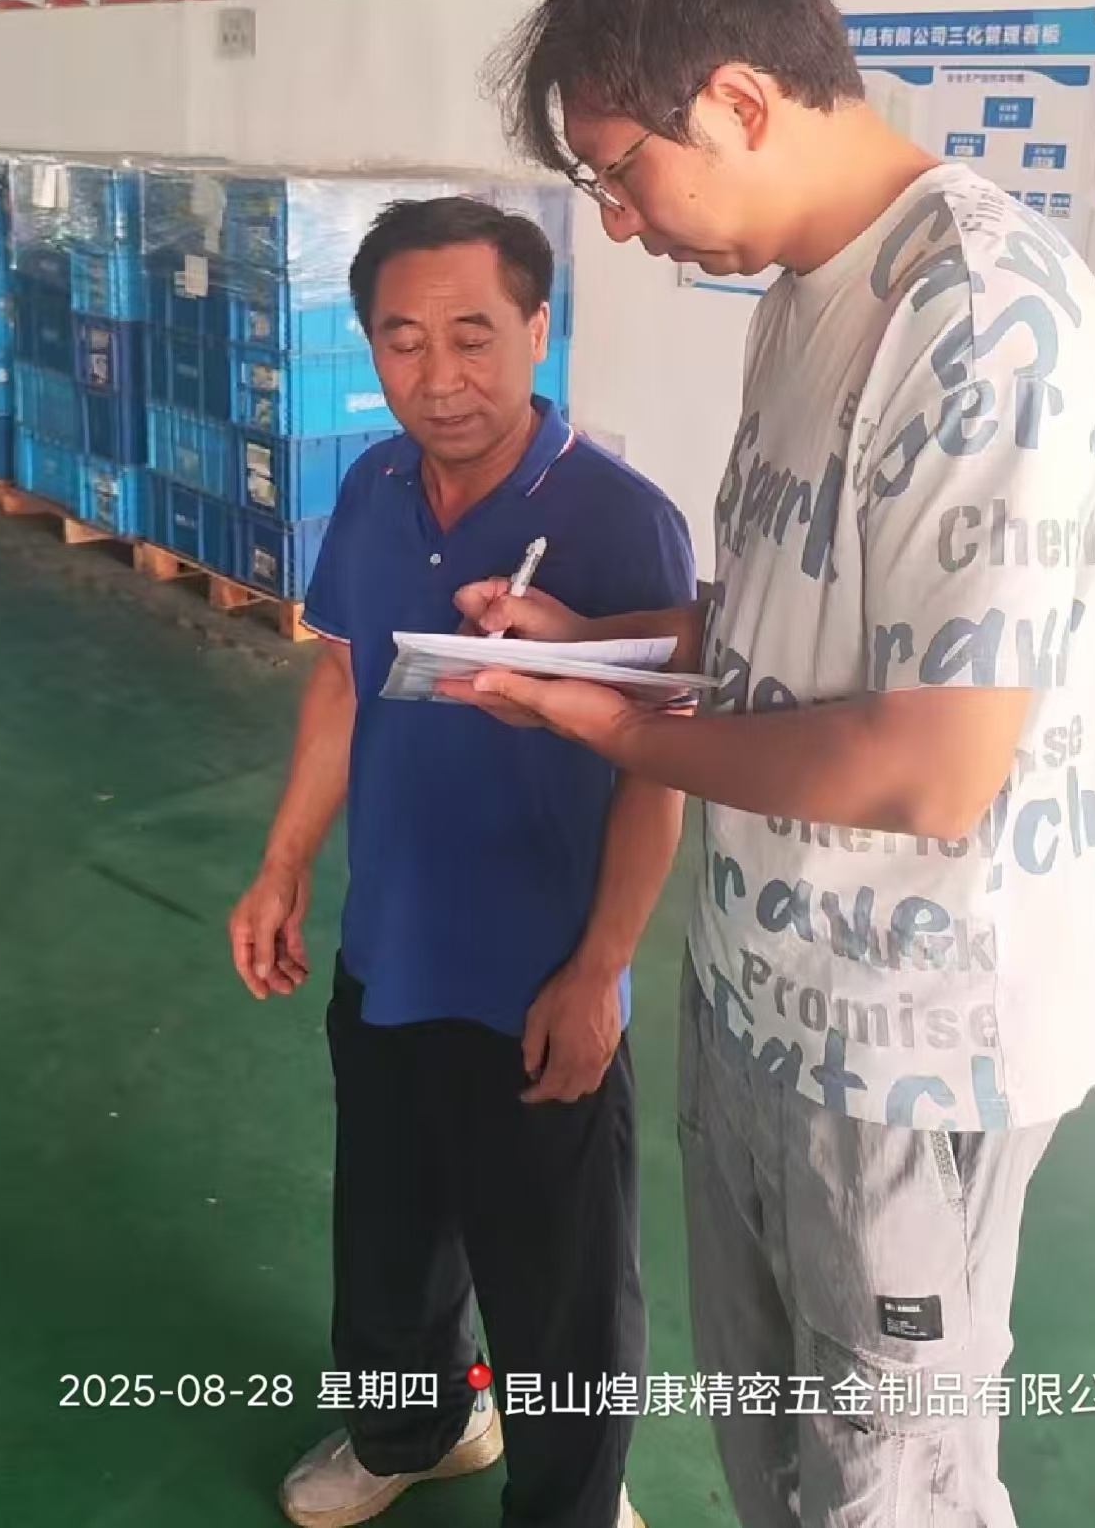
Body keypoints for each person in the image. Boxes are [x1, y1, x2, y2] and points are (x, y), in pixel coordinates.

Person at [450, 0, 1095, 1528]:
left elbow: (929, 764)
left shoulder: (980, 319)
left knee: (893, 1484)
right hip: (767, 999)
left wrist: (616, 734)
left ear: (741, 104)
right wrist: (599, 643)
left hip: (909, 1048)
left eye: (621, 172)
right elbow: (787, 611)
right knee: (774, 1453)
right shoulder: (807, 293)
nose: (617, 222)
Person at [229, 196, 695, 1528]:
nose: (440, 377)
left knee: (559, 1291)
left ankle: (573, 1505)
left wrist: (598, 972)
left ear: (539, 329)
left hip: (534, 977)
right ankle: (415, 1428)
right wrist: (284, 863)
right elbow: (341, 678)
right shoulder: (374, 487)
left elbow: (658, 770)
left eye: (475, 336)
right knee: (388, 1239)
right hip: (390, 949)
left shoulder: (620, 521)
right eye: (404, 340)